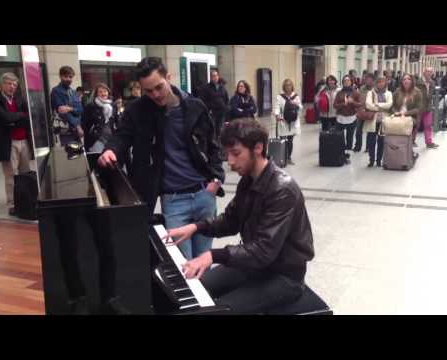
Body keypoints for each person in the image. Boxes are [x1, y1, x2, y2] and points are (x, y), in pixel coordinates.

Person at [164, 118, 314, 314]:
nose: (231, 162)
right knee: (195, 288)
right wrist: (196, 227)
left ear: (258, 148)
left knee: (215, 311)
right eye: (227, 155)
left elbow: (263, 250)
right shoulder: (249, 179)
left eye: (236, 153)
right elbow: (230, 221)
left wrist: (213, 255)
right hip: (253, 265)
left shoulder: (282, 189)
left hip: (282, 276)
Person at [98, 57, 225, 261]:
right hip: (174, 201)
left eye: (159, 87)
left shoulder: (195, 106)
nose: (155, 95)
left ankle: (204, 294)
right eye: (148, 91)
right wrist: (111, 150)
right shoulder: (138, 111)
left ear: (169, 77)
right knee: (183, 265)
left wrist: (216, 179)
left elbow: (213, 145)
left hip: (204, 194)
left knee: (203, 260)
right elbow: (122, 136)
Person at [0, 73, 34, 216]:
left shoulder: (20, 99)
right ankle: (12, 204)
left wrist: (15, 119)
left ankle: (26, 200)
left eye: (14, 84)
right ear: (2, 84)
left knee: (25, 173)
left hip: (24, 141)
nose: (12, 87)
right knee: (11, 176)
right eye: (9, 83)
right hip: (8, 143)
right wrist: (18, 117)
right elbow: (5, 118)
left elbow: (29, 116)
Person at [81, 83, 120, 153]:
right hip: (96, 139)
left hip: (111, 139)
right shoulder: (90, 106)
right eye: (100, 92)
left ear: (108, 92)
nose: (103, 93)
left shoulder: (113, 106)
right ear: (96, 94)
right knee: (97, 160)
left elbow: (117, 122)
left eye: (105, 91)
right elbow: (84, 124)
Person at [391, 73, 422, 158]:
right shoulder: (397, 91)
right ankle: (397, 152)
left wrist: (404, 113)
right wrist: (396, 113)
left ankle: (408, 153)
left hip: (411, 118)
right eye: (404, 79)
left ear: (412, 81)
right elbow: (392, 106)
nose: (406, 81)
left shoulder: (417, 92)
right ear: (401, 81)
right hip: (397, 117)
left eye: (408, 79)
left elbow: (418, 109)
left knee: (407, 127)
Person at [50, 66, 84, 145]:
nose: (68, 79)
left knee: (78, 154)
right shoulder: (56, 91)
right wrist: (78, 126)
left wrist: (70, 109)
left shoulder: (72, 92)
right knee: (67, 153)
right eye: (66, 76)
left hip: (75, 131)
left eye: (70, 77)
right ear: (60, 76)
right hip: (65, 131)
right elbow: (62, 112)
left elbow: (80, 109)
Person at [364, 76, 393, 167]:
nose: (381, 84)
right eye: (379, 82)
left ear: (385, 83)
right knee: (371, 141)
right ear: (376, 83)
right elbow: (368, 105)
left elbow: (389, 105)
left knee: (381, 141)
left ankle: (379, 160)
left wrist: (377, 105)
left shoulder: (389, 93)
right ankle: (371, 159)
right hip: (373, 120)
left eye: (383, 82)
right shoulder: (370, 93)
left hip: (383, 121)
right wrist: (381, 107)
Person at [274, 79, 302, 165]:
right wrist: (277, 115)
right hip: (283, 121)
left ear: (292, 86)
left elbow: (301, 107)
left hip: (293, 122)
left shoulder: (296, 96)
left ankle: (289, 157)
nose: (288, 87)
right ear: (284, 86)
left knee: (290, 141)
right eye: (286, 85)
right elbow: (277, 107)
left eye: (289, 85)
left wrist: (296, 104)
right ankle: (282, 158)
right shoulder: (280, 97)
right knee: (283, 140)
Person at [334, 75, 362, 151]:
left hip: (351, 117)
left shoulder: (355, 92)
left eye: (348, 81)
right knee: (339, 136)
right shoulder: (339, 93)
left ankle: (348, 151)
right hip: (340, 118)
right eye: (344, 81)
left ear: (351, 82)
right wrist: (343, 104)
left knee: (349, 137)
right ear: (342, 82)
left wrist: (352, 102)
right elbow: (335, 105)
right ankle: (340, 151)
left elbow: (360, 104)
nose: (346, 82)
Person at [199, 69, 229, 139]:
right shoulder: (206, 88)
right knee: (213, 129)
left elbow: (226, 98)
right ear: (211, 77)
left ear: (218, 76)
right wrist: (209, 108)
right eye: (213, 76)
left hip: (221, 112)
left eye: (216, 76)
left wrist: (226, 107)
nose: (215, 77)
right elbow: (203, 100)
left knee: (220, 129)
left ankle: (219, 144)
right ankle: (213, 143)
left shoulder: (222, 87)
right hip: (212, 112)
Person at [415, 67, 439, 149]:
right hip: (418, 108)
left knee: (428, 125)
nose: (429, 73)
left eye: (431, 72)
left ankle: (429, 142)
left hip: (428, 108)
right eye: (428, 71)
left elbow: (430, 96)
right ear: (423, 73)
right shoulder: (418, 82)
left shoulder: (432, 83)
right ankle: (411, 141)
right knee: (415, 126)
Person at [354, 73, 375, 152]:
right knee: (358, 130)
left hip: (370, 112)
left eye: (370, 80)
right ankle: (357, 146)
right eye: (366, 79)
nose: (368, 81)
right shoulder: (362, 88)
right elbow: (359, 98)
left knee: (369, 131)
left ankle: (368, 147)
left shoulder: (375, 89)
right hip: (362, 111)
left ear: (373, 81)